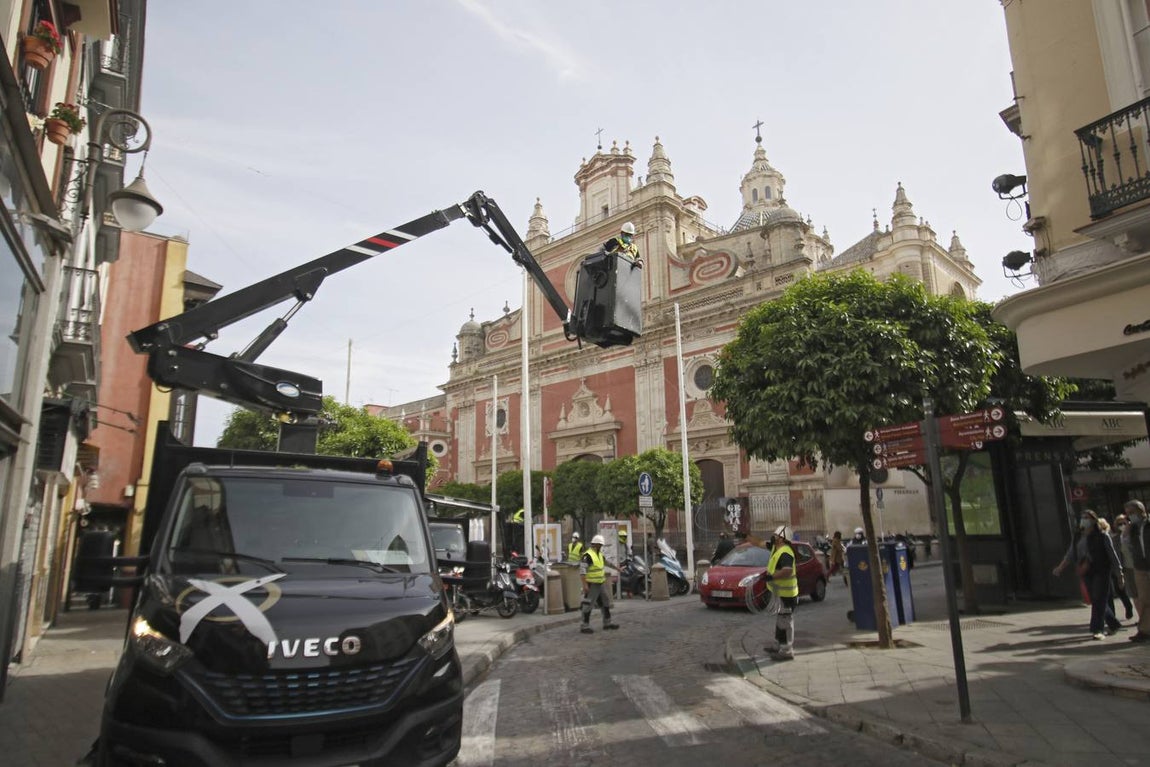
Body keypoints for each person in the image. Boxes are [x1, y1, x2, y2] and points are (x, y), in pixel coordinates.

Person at [1053, 510, 1124, 639]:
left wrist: (1119, 573)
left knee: (1099, 598)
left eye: (1087, 518)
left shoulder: (1102, 536)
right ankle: (1114, 624)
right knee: (1096, 599)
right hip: (1086, 571)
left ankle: (1097, 629)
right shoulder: (1078, 536)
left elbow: (1112, 555)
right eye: (1083, 517)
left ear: (1094, 520)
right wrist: (1060, 567)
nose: (1084, 520)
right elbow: (1070, 553)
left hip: (1101, 570)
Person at [760, 525, 799, 660]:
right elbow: (758, 542)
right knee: (781, 620)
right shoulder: (777, 549)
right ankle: (778, 646)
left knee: (785, 621)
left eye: (776, 534)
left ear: (782, 538)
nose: (773, 536)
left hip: (787, 595)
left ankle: (787, 651)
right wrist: (746, 537)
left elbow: (787, 570)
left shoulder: (786, 553)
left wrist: (772, 577)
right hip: (781, 593)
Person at [579, 535, 619, 633]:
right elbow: (582, 571)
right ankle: (584, 626)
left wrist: (617, 569)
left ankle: (607, 623)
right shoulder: (587, 555)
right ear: (595, 544)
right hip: (592, 584)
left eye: (601, 545)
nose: (601, 546)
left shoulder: (599, 554)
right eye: (600, 545)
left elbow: (607, 563)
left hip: (600, 583)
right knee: (588, 605)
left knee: (605, 602)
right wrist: (585, 585)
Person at [1125, 500, 1150, 642]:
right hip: (1140, 566)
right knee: (1144, 599)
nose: (1130, 516)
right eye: (1128, 513)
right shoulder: (1132, 528)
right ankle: (1145, 631)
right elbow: (1126, 547)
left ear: (1141, 510)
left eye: (1132, 512)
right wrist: (1126, 533)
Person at [1101, 517, 1134, 620]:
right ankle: (1114, 616)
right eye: (1119, 524)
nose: (1121, 526)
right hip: (1110, 567)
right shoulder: (1113, 538)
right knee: (1113, 591)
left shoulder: (1129, 536)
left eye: (1123, 523)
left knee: (1123, 590)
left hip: (1124, 566)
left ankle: (1128, 606)